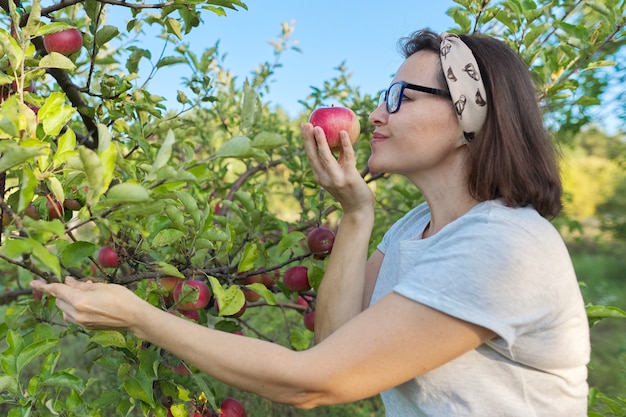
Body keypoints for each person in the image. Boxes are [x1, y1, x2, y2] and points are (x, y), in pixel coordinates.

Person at [31, 29, 590, 416]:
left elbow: (316, 381)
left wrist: (137, 315)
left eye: (400, 96)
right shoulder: (415, 228)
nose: (375, 114)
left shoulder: (502, 246)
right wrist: (355, 212)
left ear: (469, 114)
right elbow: (335, 340)